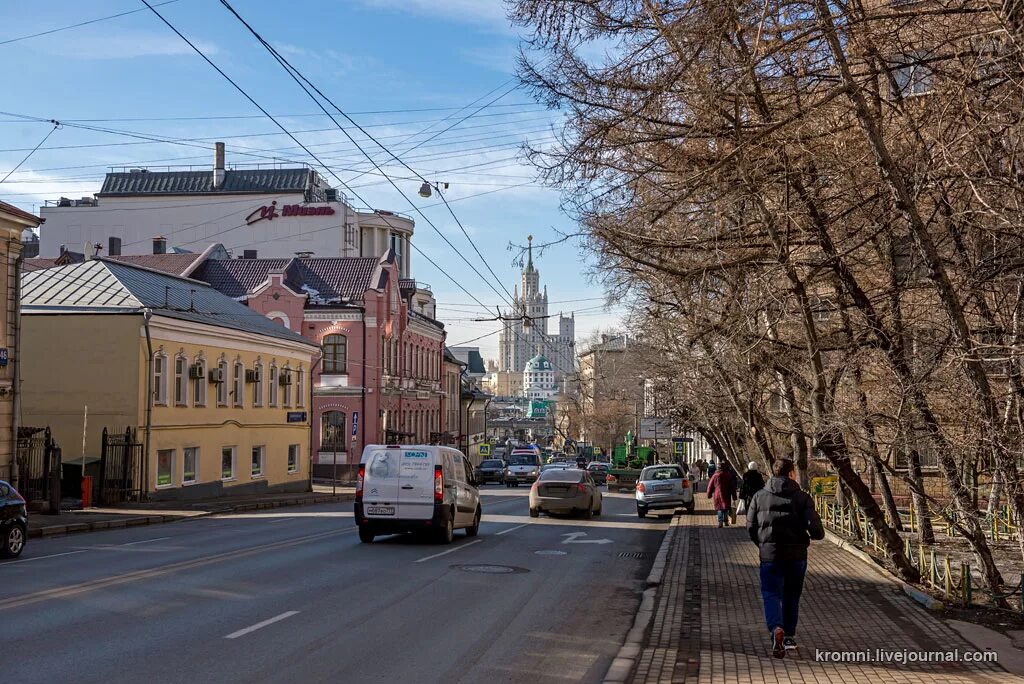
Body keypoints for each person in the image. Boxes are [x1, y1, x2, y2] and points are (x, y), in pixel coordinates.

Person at [746, 458, 825, 659]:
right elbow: (816, 531)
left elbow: (751, 527)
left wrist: (763, 545)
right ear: (791, 473)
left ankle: (776, 629)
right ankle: (789, 636)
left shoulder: (759, 496)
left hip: (770, 556)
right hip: (796, 556)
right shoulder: (802, 498)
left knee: (771, 594)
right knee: (792, 596)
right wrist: (811, 535)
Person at [705, 461, 737, 528]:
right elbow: (732, 487)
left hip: (717, 494)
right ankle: (726, 521)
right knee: (725, 508)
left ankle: (720, 522)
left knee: (719, 508)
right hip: (726, 494)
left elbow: (710, 486)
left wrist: (709, 494)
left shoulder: (715, 475)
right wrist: (734, 496)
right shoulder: (728, 475)